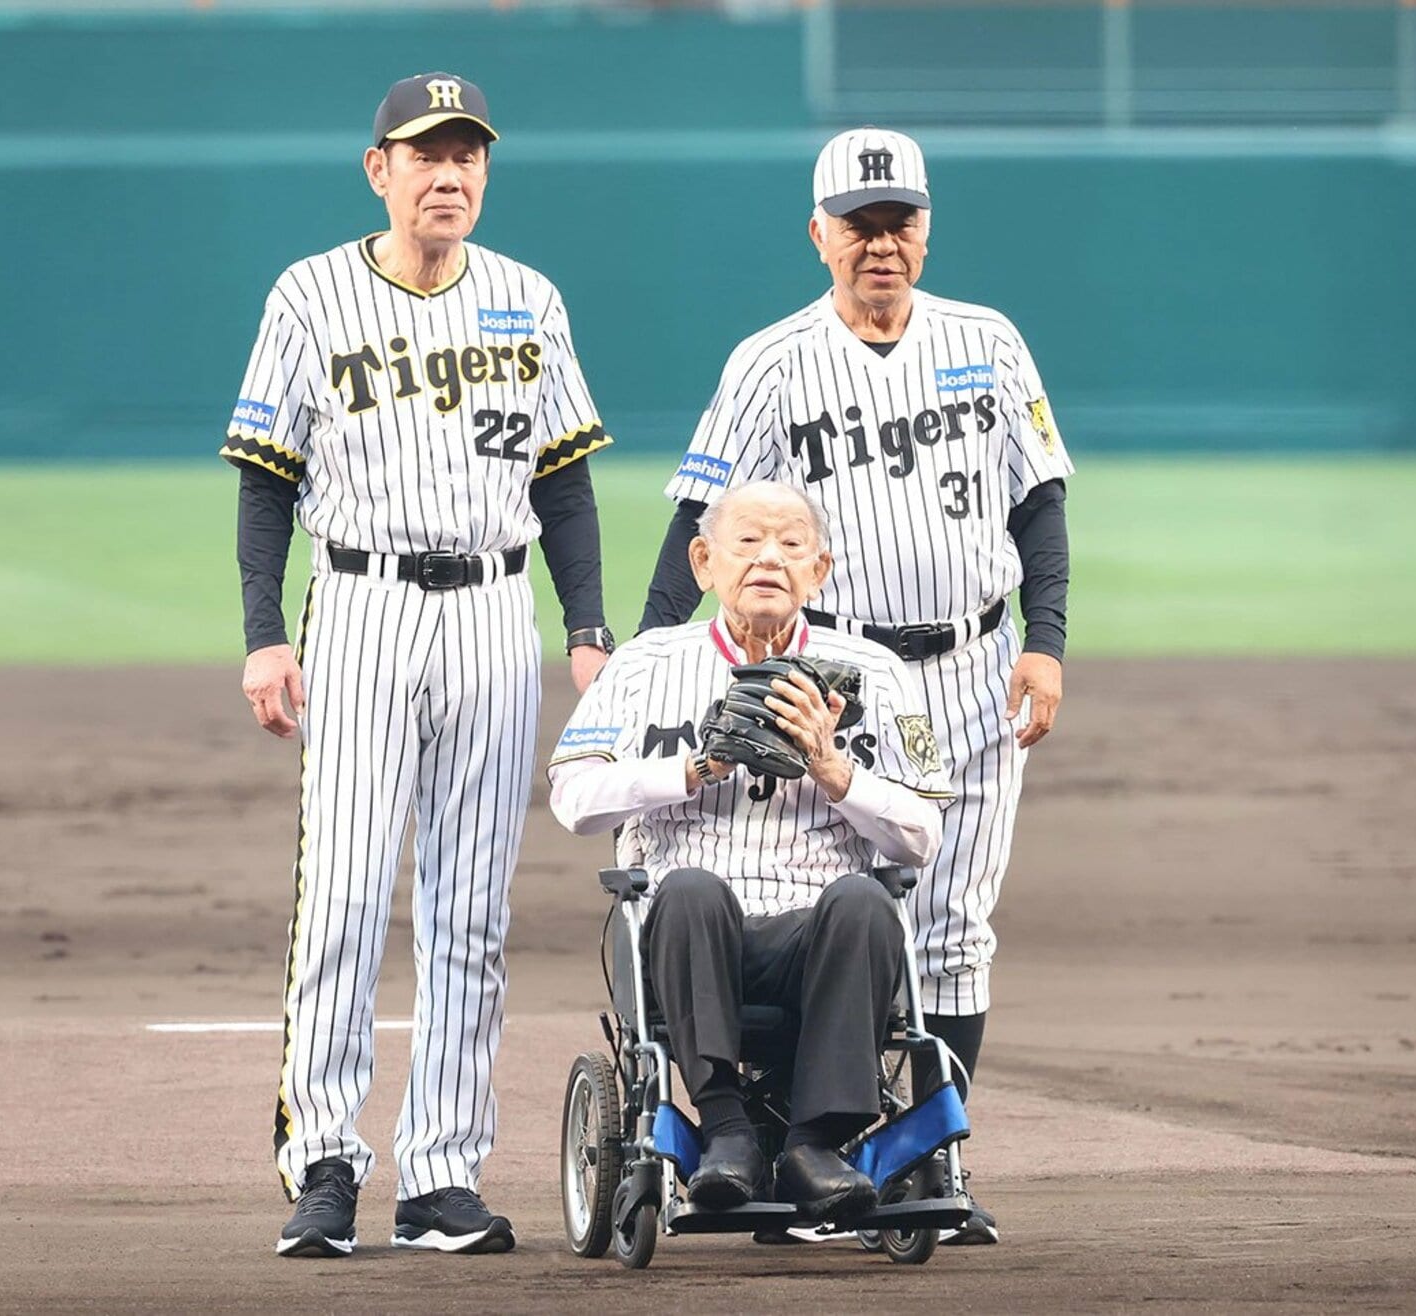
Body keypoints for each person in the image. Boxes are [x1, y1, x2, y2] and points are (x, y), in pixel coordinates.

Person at [639, 127, 1074, 1241]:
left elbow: (1036, 502)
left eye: (900, 223)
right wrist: (650, 648)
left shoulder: (987, 341)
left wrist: (1045, 639)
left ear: (925, 229)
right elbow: (699, 512)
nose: (880, 245)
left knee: (955, 927)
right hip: (836, 674)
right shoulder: (771, 361)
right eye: (859, 225)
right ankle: (800, 1136)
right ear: (819, 233)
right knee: (817, 903)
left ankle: (936, 1165)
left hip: (976, 662)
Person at [222, 72, 617, 1259]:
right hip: (361, 605)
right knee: (342, 894)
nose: (448, 174)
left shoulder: (527, 298)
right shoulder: (310, 292)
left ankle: (441, 1171)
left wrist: (585, 627)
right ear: (378, 171)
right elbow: (265, 476)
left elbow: (562, 478)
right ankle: (326, 1160)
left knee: (469, 907)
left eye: (467, 155)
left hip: (494, 613)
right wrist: (262, 629)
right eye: (425, 154)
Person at [549, 481, 953, 1224]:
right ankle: (726, 1128)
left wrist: (837, 774)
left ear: (820, 570)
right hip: (692, 931)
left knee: (868, 901)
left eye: (791, 544)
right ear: (703, 562)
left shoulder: (878, 671)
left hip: (818, 932)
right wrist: (698, 767)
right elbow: (572, 798)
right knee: (693, 887)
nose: (769, 557)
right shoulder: (642, 664)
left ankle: (815, 1143)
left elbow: (925, 831)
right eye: (748, 542)